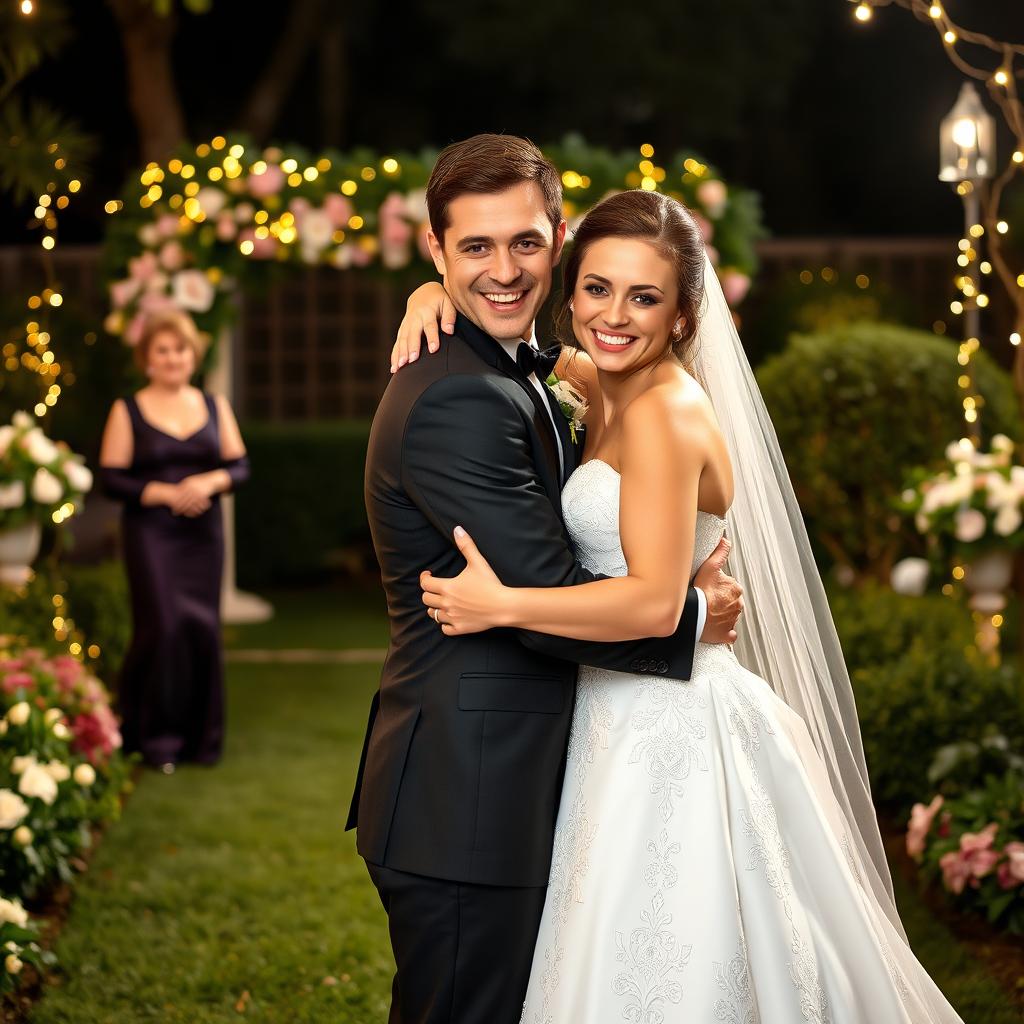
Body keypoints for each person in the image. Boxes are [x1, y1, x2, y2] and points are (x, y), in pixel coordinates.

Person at [400, 189, 969, 1021]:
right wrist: (431, 295)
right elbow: (526, 346)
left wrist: (501, 604)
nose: (614, 316)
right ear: (570, 285)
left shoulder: (665, 412)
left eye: (644, 297)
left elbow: (652, 606)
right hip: (609, 714)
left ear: (682, 313)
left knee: (671, 956)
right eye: (597, 289)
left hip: (667, 728)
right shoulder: (597, 376)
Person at [347, 134, 744, 1024]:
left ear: (557, 242)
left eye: (523, 242)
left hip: (524, 776)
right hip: (469, 798)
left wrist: (434, 295)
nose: (503, 269)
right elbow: (548, 593)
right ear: (436, 251)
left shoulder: (544, 368)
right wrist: (686, 615)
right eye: (473, 248)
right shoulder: (458, 398)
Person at [98, 309, 249, 773]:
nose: (172, 357)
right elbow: (110, 478)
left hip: (202, 535)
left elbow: (239, 467)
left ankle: (202, 742)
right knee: (161, 628)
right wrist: (162, 492)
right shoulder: (128, 409)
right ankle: (152, 739)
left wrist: (207, 484)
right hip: (151, 533)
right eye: (162, 350)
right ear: (147, 359)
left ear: (192, 356)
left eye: (179, 349)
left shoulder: (213, 405)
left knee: (202, 628)